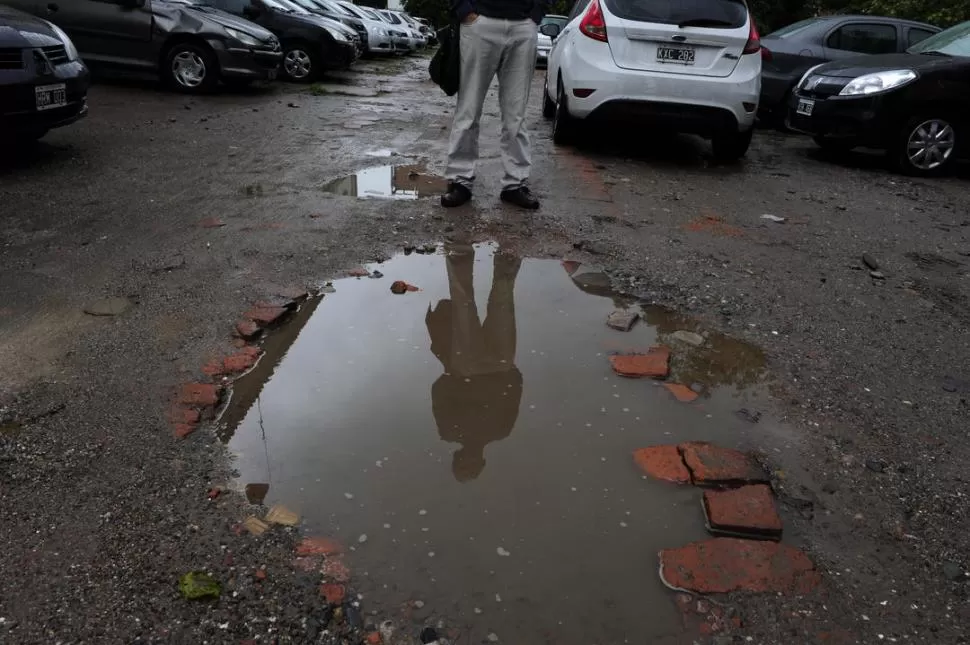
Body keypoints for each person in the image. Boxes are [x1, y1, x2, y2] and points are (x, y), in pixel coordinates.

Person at [426, 244, 523, 481]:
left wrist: (455, 373)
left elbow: (439, 391)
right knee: (487, 302)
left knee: (478, 303)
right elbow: (439, 390)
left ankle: (476, 254)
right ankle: (500, 252)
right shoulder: (496, 431)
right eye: (471, 465)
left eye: (463, 464)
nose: (468, 458)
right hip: (487, 367)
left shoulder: (493, 431)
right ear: (481, 461)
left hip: (485, 366)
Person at [441, 0, 548, 210]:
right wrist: (463, 9)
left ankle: (515, 184)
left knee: (516, 114)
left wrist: (537, 12)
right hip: (480, 22)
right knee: (469, 109)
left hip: (523, 25)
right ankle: (460, 180)